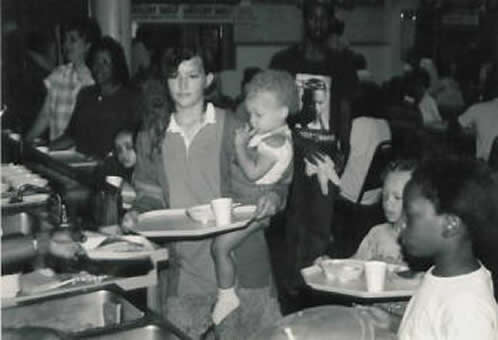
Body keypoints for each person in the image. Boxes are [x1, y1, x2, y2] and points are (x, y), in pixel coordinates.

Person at [121, 45, 288, 339]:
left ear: (209, 79)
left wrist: (274, 198)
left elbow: (274, 177)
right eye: (175, 76)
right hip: (185, 275)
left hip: (241, 270)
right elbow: (149, 196)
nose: (183, 85)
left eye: (192, 75)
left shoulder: (234, 128)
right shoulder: (150, 136)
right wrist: (137, 214)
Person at [269, 0, 358, 298]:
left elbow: (345, 107)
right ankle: (293, 281)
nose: (317, 24)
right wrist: (295, 142)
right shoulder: (284, 61)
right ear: (304, 21)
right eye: (312, 18)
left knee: (320, 220)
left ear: (330, 22)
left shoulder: (342, 62)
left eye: (323, 19)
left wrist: (344, 146)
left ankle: (314, 281)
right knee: (293, 218)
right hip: (291, 150)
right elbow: (276, 110)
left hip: (325, 154)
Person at [359, 157, 498, 339]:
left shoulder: (468, 307)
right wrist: (393, 323)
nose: (401, 225)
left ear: (450, 225)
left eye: (410, 216)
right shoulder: (442, 275)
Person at [211, 70, 295, 325]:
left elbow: (252, 173)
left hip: (255, 206)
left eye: (259, 115)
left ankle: (226, 297)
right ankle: (227, 293)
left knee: (220, 247)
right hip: (246, 203)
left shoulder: (277, 142)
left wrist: (239, 146)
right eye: (250, 114)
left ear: (282, 113)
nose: (252, 120)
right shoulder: (269, 133)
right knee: (223, 247)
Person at [49, 36, 140, 159]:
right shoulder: (85, 95)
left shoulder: (130, 98)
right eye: (95, 62)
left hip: (113, 171)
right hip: (82, 167)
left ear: (116, 65)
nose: (98, 67)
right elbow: (72, 136)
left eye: (105, 62)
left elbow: (134, 144)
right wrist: (45, 149)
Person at [25, 17, 101, 142]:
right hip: (57, 153)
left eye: (73, 40)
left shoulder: (95, 80)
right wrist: (26, 141)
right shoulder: (59, 75)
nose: (66, 45)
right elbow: (45, 115)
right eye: (65, 40)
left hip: (83, 157)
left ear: (88, 45)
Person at [351, 160, 417, 265]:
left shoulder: (425, 242)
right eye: (385, 196)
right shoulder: (377, 234)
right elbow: (354, 265)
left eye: (397, 197)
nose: (388, 203)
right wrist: (329, 263)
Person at [458, 85, 498, 162]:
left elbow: (458, 129)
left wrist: (477, 130)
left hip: (484, 165)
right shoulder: (476, 108)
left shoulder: (477, 108)